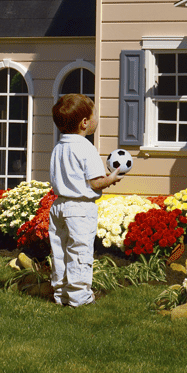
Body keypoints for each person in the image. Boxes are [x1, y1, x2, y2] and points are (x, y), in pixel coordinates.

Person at [48, 93, 124, 306]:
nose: (97, 119)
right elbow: (95, 182)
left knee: (60, 251)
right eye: (95, 115)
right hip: (80, 208)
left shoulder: (58, 148)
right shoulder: (85, 147)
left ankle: (61, 293)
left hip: (58, 206)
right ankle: (79, 297)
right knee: (79, 250)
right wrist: (111, 178)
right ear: (84, 123)